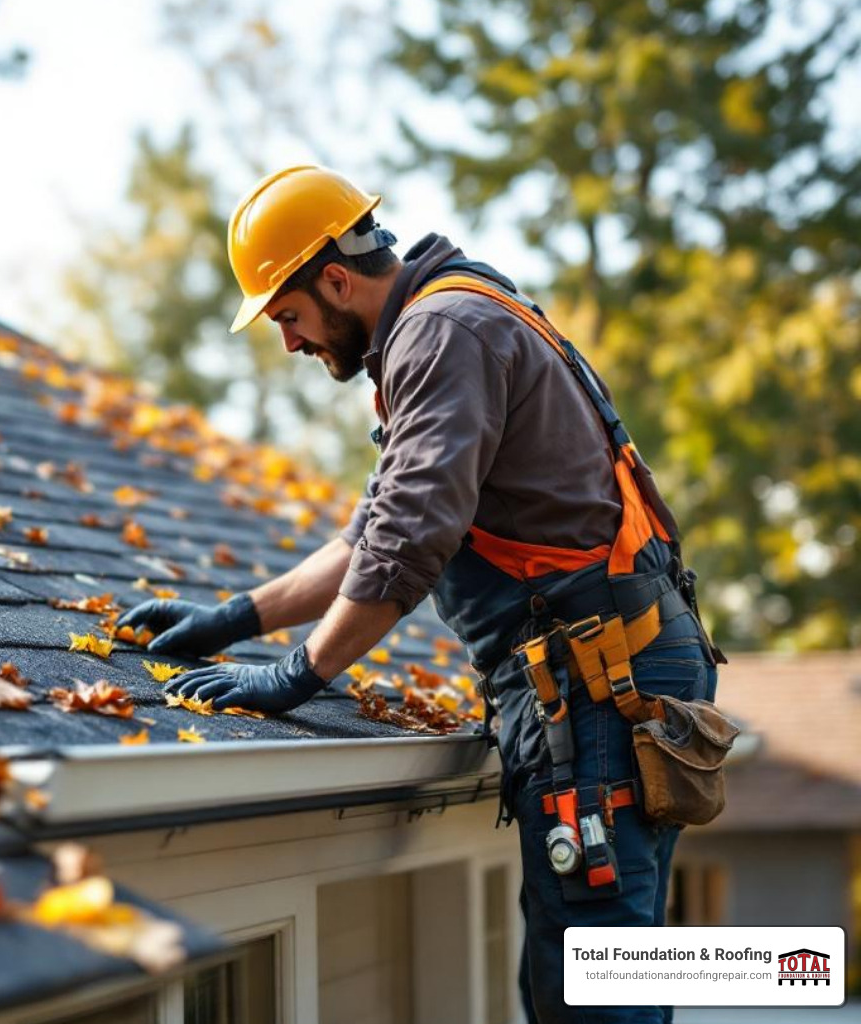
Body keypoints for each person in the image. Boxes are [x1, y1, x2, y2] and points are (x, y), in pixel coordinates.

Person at [116, 166, 726, 1024]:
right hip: (614, 673)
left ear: (335, 278)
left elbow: (407, 542)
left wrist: (297, 674)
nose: (288, 342)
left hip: (600, 692)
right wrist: (233, 620)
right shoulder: (452, 317)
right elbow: (372, 531)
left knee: (593, 989)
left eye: (286, 315)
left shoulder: (442, 335)